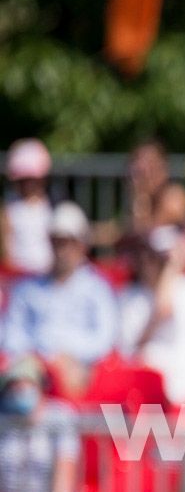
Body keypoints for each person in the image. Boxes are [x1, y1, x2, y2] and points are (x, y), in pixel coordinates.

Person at [2, 202, 117, 394]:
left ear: (82, 245)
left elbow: (105, 339)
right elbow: (12, 334)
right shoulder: (26, 289)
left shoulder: (98, 289)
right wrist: (38, 358)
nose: (62, 250)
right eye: (57, 242)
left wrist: (69, 356)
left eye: (69, 242)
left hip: (81, 372)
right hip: (33, 372)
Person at [118, 225, 185, 403]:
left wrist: (171, 267)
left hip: (184, 375)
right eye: (153, 257)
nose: (154, 264)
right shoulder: (129, 296)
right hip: (144, 381)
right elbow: (129, 350)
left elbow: (164, 308)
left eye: (163, 260)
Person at [0, 355, 80, 492]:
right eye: (14, 385)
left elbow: (65, 469)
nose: (18, 390)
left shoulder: (60, 416)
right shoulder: (4, 419)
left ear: (40, 386)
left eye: (25, 383)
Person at [2, 138, 54, 276]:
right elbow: (6, 248)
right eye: (23, 181)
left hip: (48, 275)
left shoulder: (53, 203)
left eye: (32, 180)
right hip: (18, 275)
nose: (28, 185)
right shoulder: (10, 208)